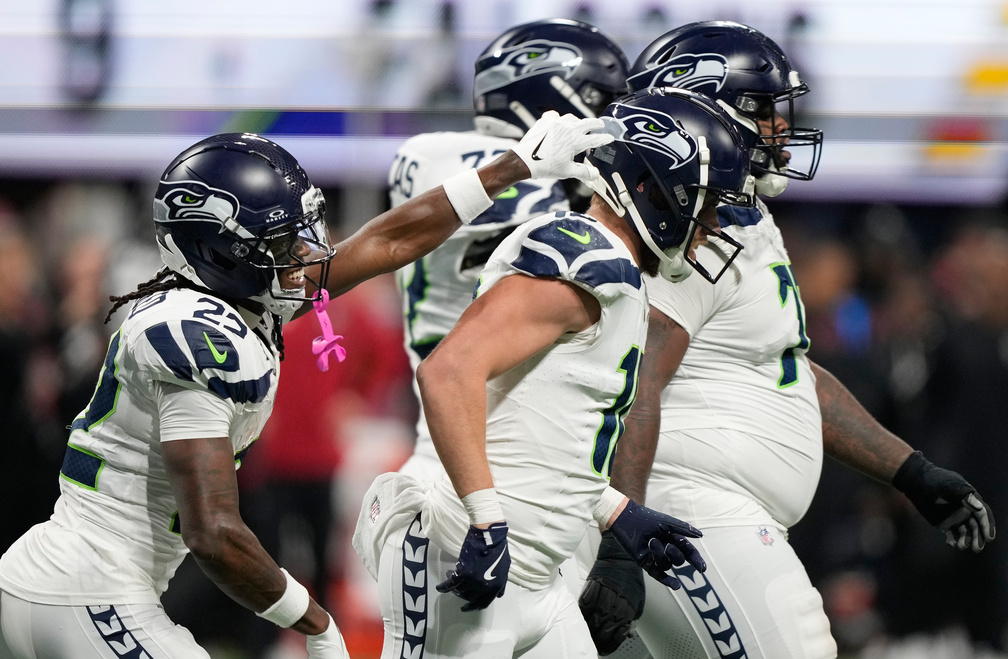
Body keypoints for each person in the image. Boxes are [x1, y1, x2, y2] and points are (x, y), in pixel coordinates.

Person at [0, 115, 606, 659]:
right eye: (280, 243)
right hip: (91, 591)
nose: (303, 255)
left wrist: (511, 168)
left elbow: (386, 243)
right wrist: (312, 619)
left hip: (61, 577)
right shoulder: (199, 337)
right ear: (221, 250)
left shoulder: (233, 300)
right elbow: (214, 533)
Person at [577, 21, 997, 659]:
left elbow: (787, 373)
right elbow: (637, 375)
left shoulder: (745, 216)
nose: (780, 126)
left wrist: (911, 472)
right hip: (689, 513)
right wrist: (621, 531)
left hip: (711, 513)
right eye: (764, 108)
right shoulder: (689, 216)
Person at [352, 86, 756, 659]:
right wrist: (485, 522)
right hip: (464, 552)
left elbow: (542, 428)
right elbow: (448, 372)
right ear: (650, 188)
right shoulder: (587, 258)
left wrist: (616, 510)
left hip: (536, 574)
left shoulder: (617, 273)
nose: (714, 222)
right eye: (706, 200)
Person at [389, 18, 630, 480]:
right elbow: (533, 205)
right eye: (602, 102)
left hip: (528, 452)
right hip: (462, 456)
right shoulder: (445, 154)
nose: (609, 121)